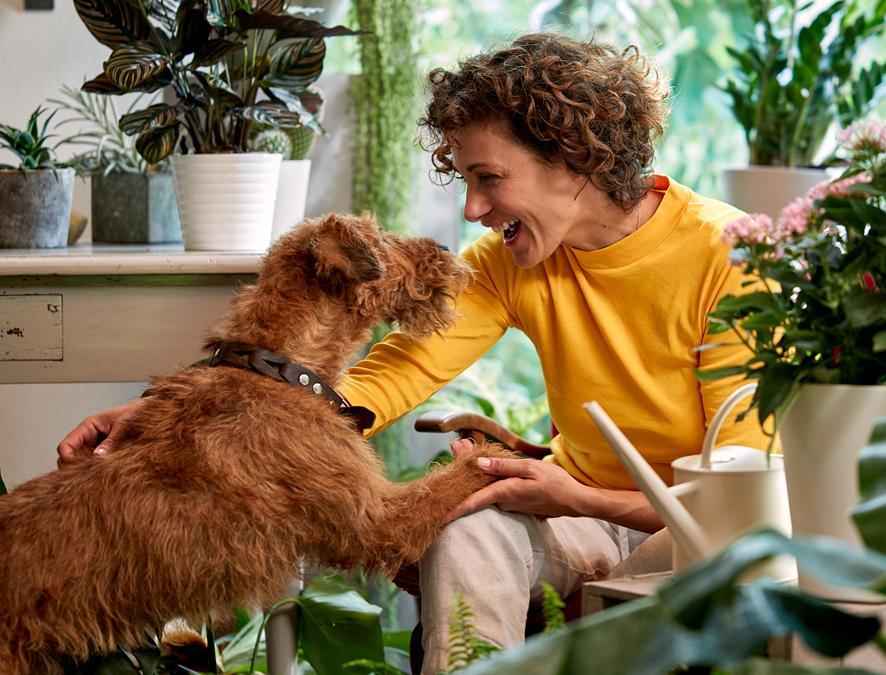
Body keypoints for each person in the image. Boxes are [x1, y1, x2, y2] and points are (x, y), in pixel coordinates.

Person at [57, 32, 768, 671]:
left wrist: (576, 494)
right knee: (472, 530)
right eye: (466, 181)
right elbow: (390, 374)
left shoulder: (727, 255)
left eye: (489, 178)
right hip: (578, 514)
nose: (473, 209)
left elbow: (738, 507)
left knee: (679, 568)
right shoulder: (508, 263)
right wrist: (172, 415)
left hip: (691, 528)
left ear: (574, 157)